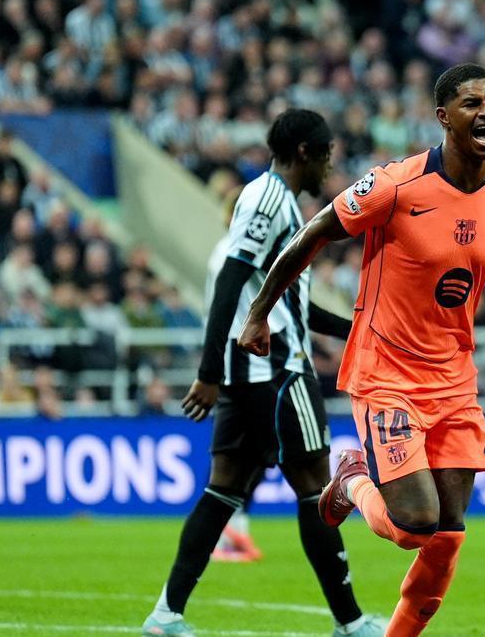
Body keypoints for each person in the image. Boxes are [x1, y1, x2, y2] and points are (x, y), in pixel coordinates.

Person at [237, 64, 485, 636]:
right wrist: (260, 310)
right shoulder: (397, 185)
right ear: (444, 117)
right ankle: (351, 482)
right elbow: (314, 231)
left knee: (448, 534)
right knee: (416, 522)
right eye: (472, 104)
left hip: (454, 382)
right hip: (386, 372)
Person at [143, 109, 384, 637]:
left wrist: (359, 330)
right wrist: (207, 371)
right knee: (317, 488)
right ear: (304, 152)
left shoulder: (275, 206)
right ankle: (350, 622)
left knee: (224, 488)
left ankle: (165, 614)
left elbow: (287, 303)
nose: (328, 168)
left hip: (246, 370)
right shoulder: (271, 199)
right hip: (277, 372)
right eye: (325, 157)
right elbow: (230, 282)